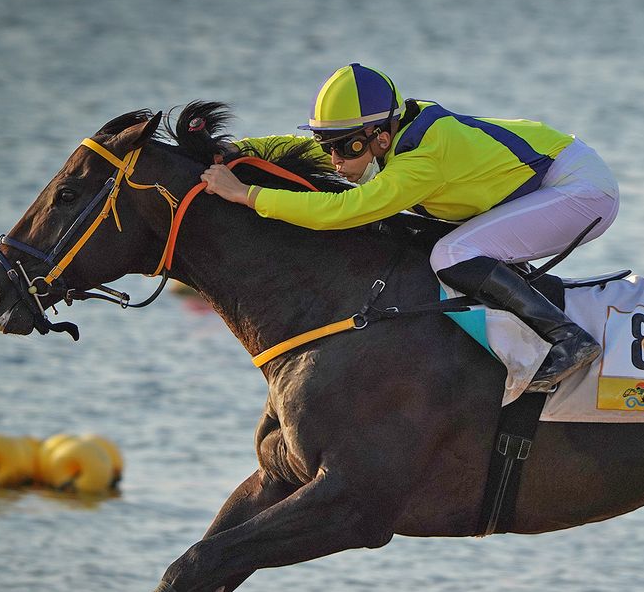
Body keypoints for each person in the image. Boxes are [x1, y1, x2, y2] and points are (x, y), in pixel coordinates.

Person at [201, 63, 619, 392]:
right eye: (329, 145)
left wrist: (246, 195)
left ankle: (568, 339)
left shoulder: (421, 160)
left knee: (452, 254)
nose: (333, 159)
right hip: (543, 174)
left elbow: (341, 211)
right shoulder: (388, 131)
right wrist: (243, 149)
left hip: (579, 189)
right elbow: (305, 149)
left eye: (345, 147)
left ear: (381, 135)